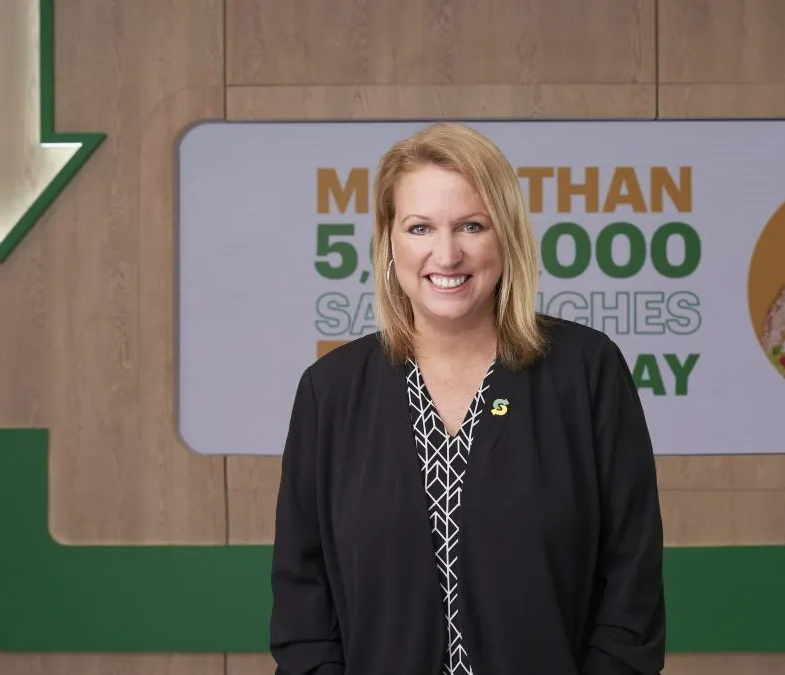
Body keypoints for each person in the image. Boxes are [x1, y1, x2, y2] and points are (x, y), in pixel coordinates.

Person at [269, 122, 666, 675]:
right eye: (420, 227)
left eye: (471, 226)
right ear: (388, 240)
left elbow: (632, 587)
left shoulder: (586, 371)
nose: (446, 253)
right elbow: (301, 602)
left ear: (506, 236)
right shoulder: (330, 391)